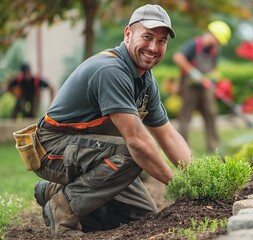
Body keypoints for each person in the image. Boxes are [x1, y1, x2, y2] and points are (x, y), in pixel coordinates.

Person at [24, 4, 191, 236]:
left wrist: (194, 178)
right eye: (147, 37)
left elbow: (166, 133)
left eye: (161, 41)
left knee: (142, 216)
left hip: (88, 151)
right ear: (128, 34)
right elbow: (138, 143)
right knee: (134, 154)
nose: (154, 47)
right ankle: (61, 211)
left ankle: (54, 192)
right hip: (52, 150)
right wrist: (180, 186)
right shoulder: (110, 70)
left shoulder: (144, 79)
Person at [172, 21, 231, 152]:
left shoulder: (213, 51)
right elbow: (178, 57)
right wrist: (193, 72)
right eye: (218, 40)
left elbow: (213, 70)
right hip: (190, 86)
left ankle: (214, 146)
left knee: (211, 113)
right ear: (213, 35)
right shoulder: (195, 45)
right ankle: (183, 147)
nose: (218, 44)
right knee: (186, 116)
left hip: (205, 87)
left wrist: (213, 79)